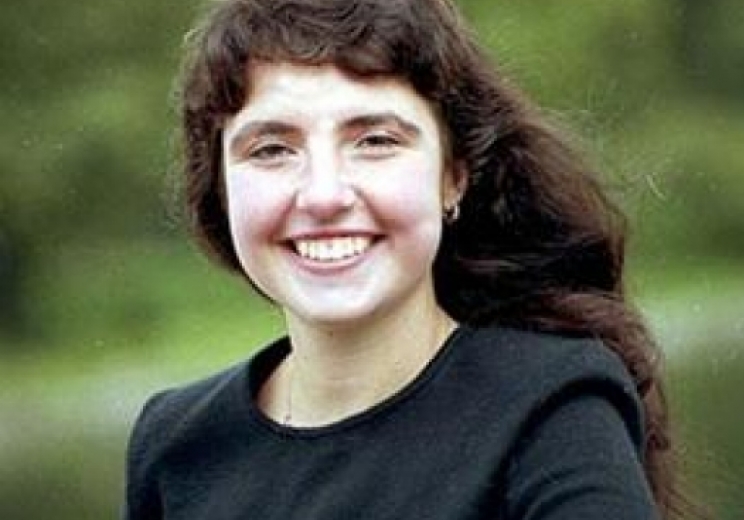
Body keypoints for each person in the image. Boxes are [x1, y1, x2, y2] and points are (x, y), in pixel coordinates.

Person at [123, 0, 685, 518]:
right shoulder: (175, 445)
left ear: (453, 176)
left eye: (375, 141)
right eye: (272, 149)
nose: (324, 195)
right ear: (221, 188)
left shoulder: (551, 405)